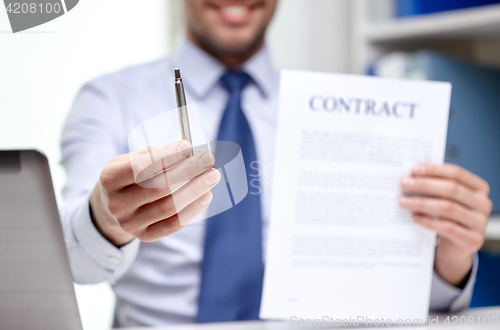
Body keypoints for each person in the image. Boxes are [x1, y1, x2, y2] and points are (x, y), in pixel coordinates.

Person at [60, 0, 492, 327]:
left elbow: (397, 296)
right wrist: (105, 216)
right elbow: (74, 263)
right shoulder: (109, 99)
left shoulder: (340, 109)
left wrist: (449, 258)